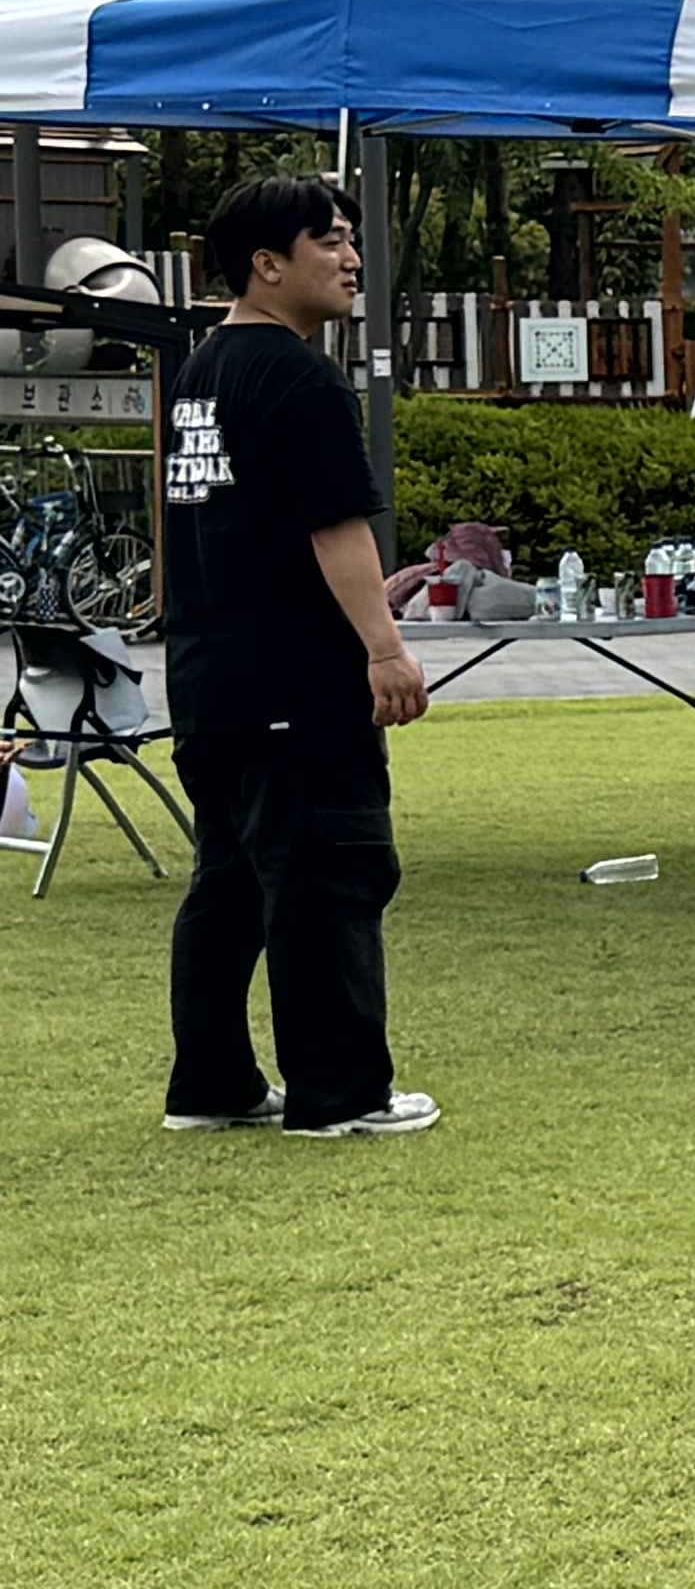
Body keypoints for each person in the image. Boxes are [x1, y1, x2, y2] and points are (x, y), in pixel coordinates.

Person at [158, 173, 439, 1137]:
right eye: (328, 241)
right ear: (267, 265)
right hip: (297, 682)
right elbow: (335, 526)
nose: (352, 259)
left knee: (230, 885)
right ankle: (340, 1095)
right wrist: (385, 648)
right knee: (330, 874)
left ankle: (212, 1086)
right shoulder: (300, 377)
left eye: (351, 239)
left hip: (211, 679)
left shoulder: (201, 373)